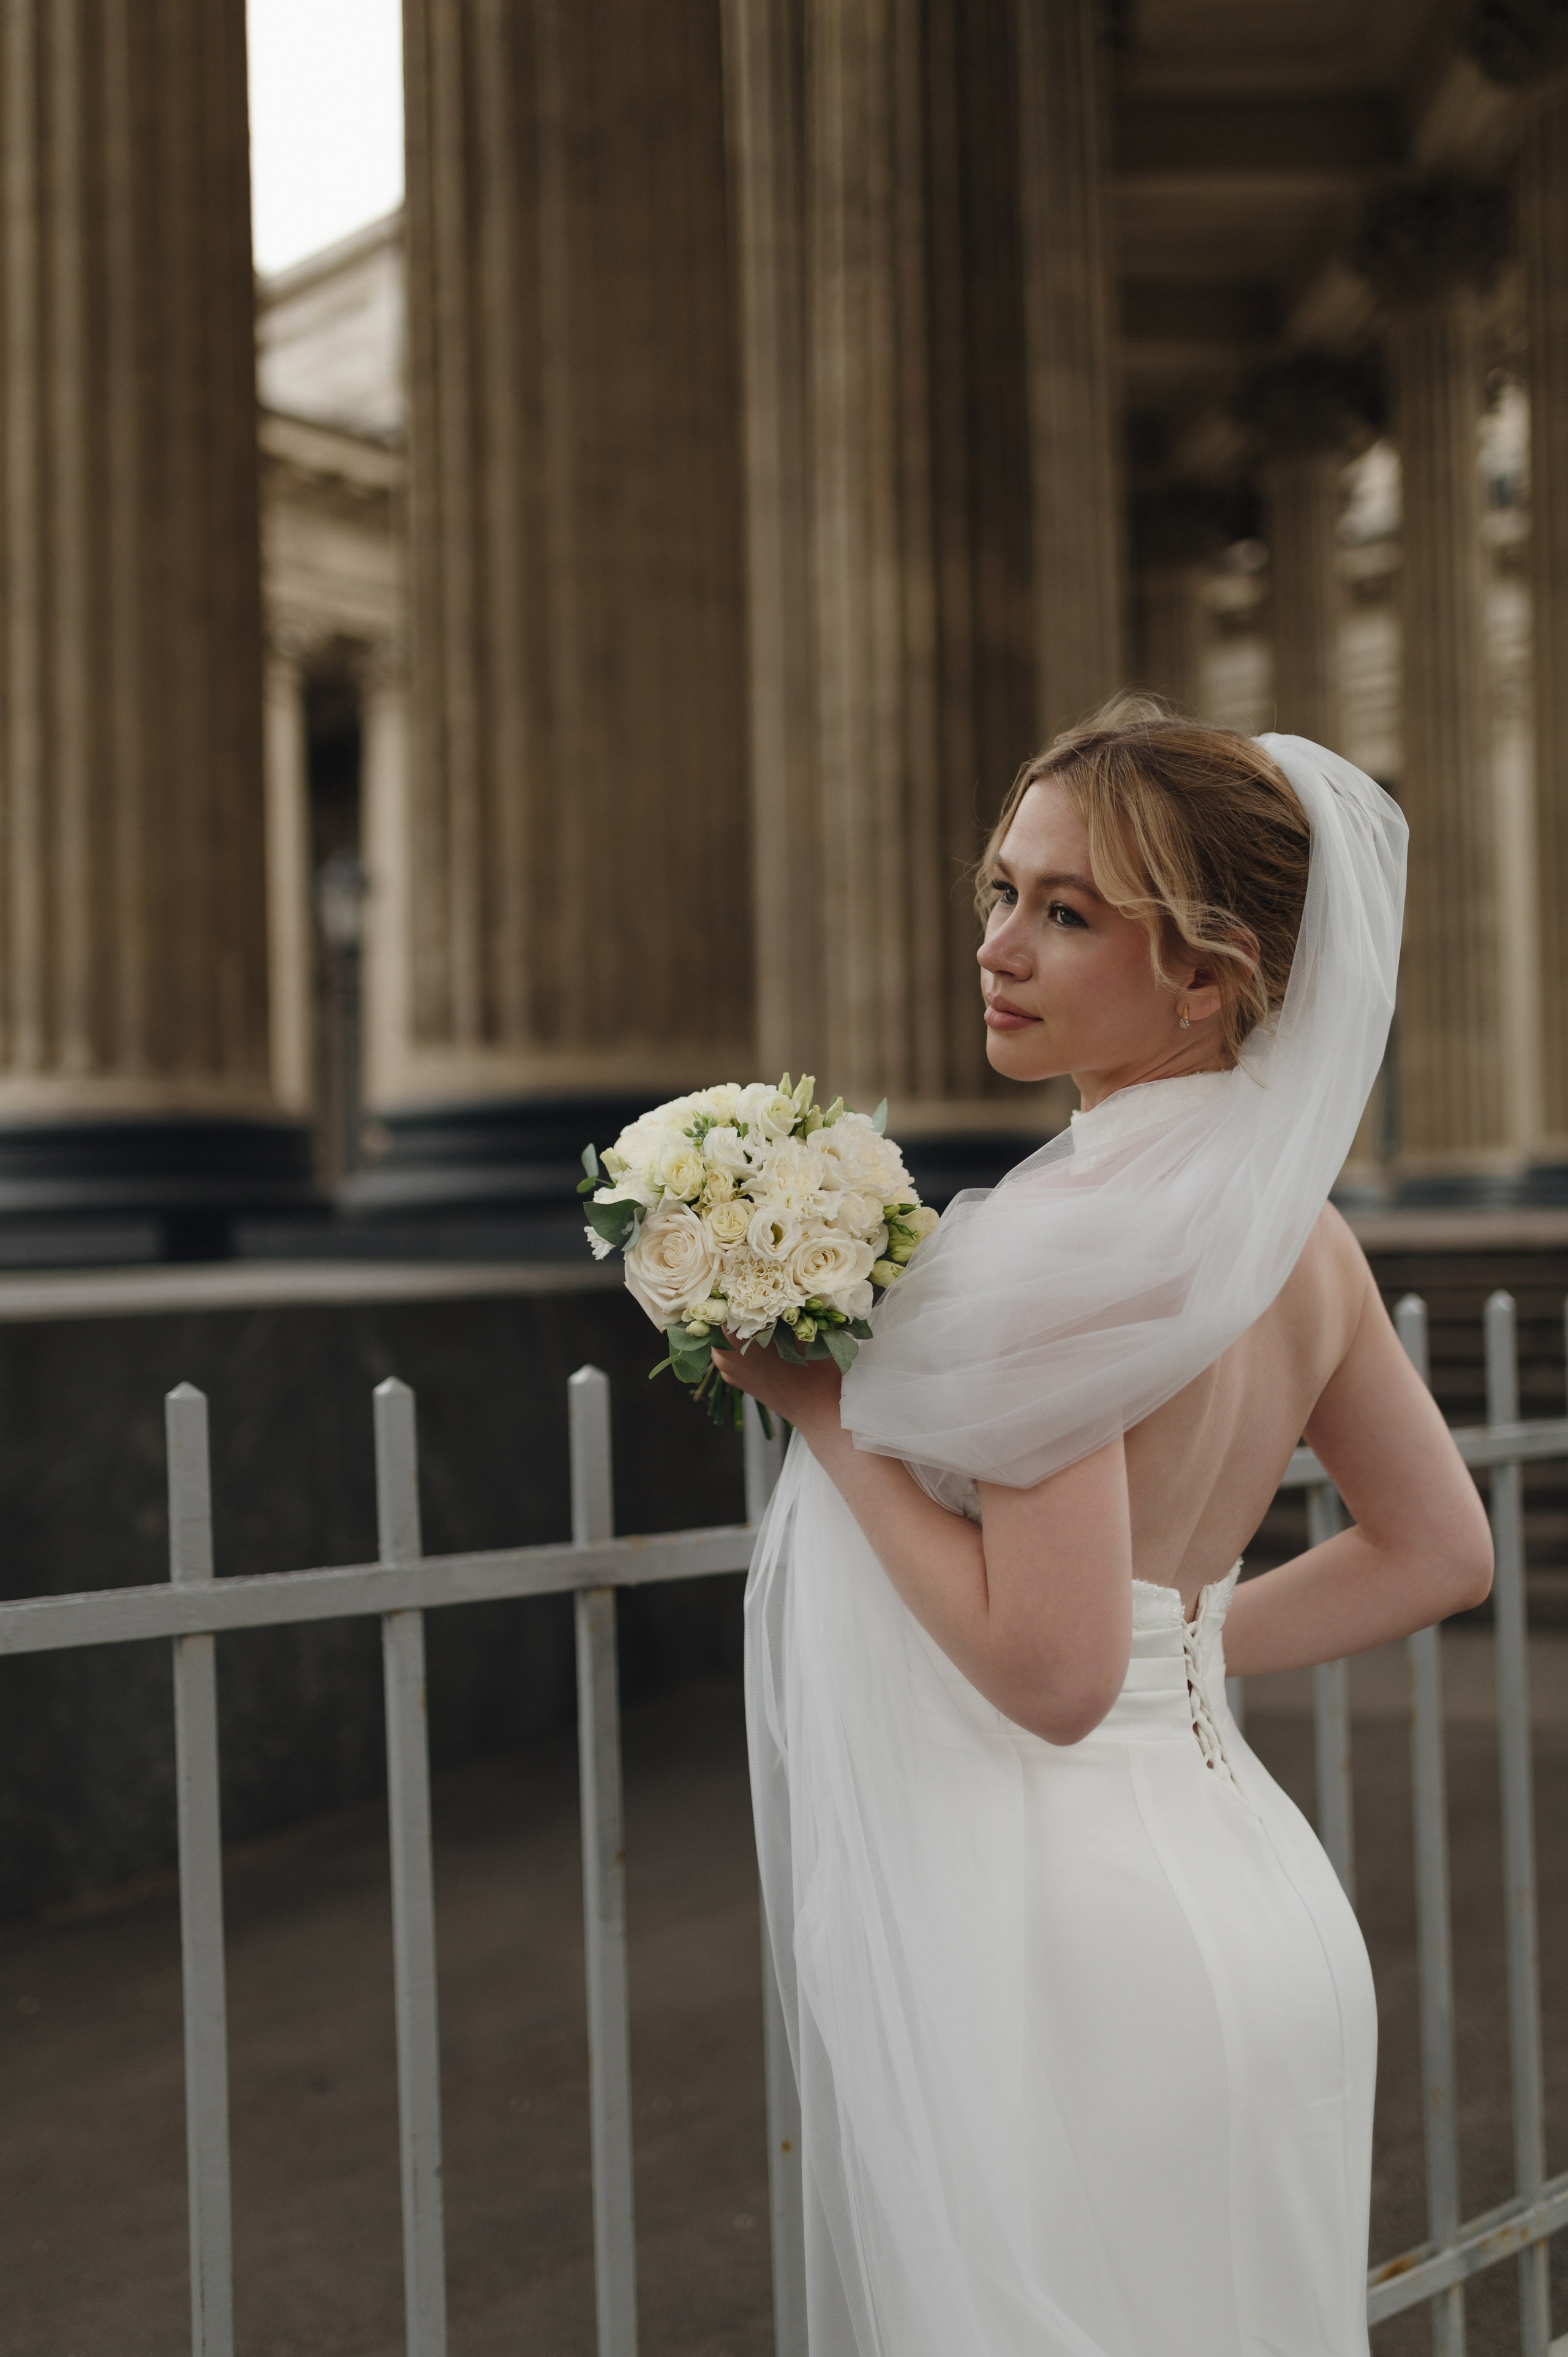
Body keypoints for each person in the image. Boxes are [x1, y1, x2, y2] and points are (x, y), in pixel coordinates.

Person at [715, 699, 1493, 2357]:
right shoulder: (1300, 1233)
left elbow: (1050, 1671)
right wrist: (1189, 1652)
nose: (1000, 946)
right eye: (1002, 891)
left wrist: (822, 1413)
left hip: (1081, 1944)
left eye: (1067, 915)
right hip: (1260, 1904)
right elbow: (1440, 1550)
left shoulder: (1069, 1248)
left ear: (1208, 974)